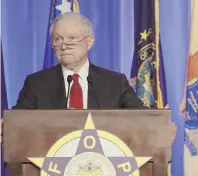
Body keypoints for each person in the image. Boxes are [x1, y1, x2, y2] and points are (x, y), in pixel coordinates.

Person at [12, 12, 144, 109]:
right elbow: (19, 123)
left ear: (89, 42)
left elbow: (143, 119)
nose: (63, 46)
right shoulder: (36, 84)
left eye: (72, 38)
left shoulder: (115, 83)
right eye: (58, 39)